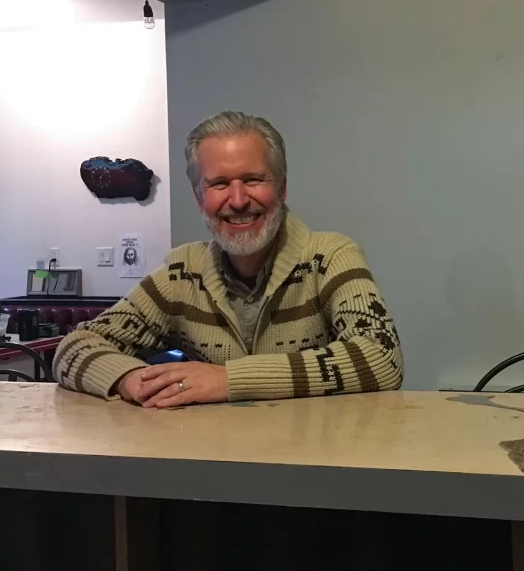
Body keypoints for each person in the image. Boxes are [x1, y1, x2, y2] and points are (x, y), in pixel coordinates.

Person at [54, 111, 403, 407]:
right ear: (198, 196)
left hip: (315, 467)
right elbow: (75, 346)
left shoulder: (331, 256)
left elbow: (382, 356)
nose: (237, 200)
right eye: (219, 184)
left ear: (281, 188)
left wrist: (228, 380)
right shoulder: (181, 272)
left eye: (253, 179)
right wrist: (130, 379)